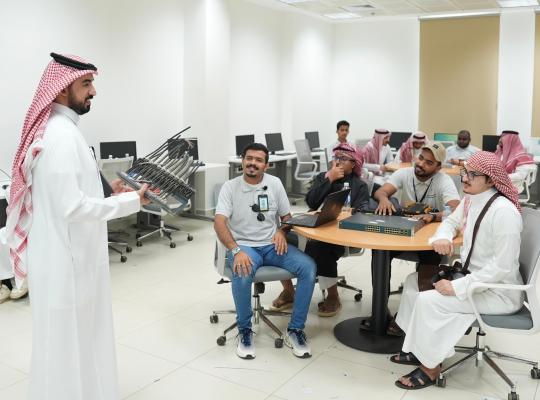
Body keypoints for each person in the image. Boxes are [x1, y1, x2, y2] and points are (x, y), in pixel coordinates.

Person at [5, 53, 149, 400]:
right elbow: (72, 206)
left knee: (76, 343)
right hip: (65, 265)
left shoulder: (63, 132)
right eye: (86, 84)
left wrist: (108, 192)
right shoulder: (60, 137)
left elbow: (66, 193)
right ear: (59, 89)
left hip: (71, 260)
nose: (93, 91)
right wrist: (132, 201)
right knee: (65, 348)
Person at [392, 151, 523, 390]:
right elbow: (451, 221)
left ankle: (431, 367)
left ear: (491, 180)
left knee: (429, 300)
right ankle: (417, 349)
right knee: (413, 282)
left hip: (497, 291)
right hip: (474, 277)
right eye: (464, 172)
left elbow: (502, 267)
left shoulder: (504, 212)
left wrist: (457, 286)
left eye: (472, 175)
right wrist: (443, 236)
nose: (464, 178)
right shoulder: (472, 198)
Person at [214, 142, 316, 360]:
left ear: (266, 165)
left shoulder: (274, 183)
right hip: (244, 246)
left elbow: (287, 218)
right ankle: (245, 330)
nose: (253, 163)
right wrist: (235, 250)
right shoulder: (230, 187)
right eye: (249, 158)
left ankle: (295, 329)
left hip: (272, 245)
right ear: (242, 161)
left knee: (308, 267)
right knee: (242, 271)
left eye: (258, 160)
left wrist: (281, 230)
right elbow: (219, 222)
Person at [368, 142, 461, 334]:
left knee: (431, 258)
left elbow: (455, 209)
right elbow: (381, 191)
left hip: (428, 238)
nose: (421, 164)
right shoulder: (404, 173)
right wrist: (384, 199)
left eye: (429, 162)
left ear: (438, 167)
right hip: (404, 234)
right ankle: (380, 309)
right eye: (421, 158)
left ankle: (411, 317)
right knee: (379, 251)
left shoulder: (443, 181)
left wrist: (432, 216)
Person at [271, 143, 369, 317]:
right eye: (336, 157)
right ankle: (289, 291)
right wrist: (329, 179)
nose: (338, 161)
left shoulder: (359, 185)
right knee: (277, 239)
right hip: (311, 229)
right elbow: (312, 202)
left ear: (354, 164)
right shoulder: (322, 177)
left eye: (343, 159)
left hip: (340, 236)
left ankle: (333, 295)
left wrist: (350, 212)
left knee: (321, 247)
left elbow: (363, 210)